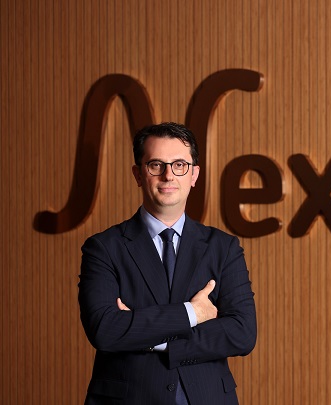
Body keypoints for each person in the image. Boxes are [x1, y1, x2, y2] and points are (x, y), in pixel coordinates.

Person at [78, 122, 257, 405]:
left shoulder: (223, 248)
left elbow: (242, 333)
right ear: (138, 174)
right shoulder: (103, 248)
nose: (168, 175)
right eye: (156, 165)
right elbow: (105, 329)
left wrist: (151, 338)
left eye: (179, 165)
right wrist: (193, 313)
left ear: (194, 175)